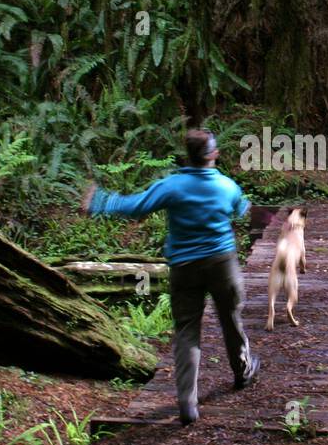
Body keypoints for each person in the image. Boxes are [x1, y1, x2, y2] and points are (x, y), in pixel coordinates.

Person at [82, 129, 259, 425]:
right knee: (231, 319)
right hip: (222, 263)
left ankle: (187, 404)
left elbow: (135, 206)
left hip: (184, 266)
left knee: (188, 331)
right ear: (213, 154)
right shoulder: (227, 186)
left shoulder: (172, 186)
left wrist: (99, 202)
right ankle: (242, 372)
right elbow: (241, 209)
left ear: (187, 156)